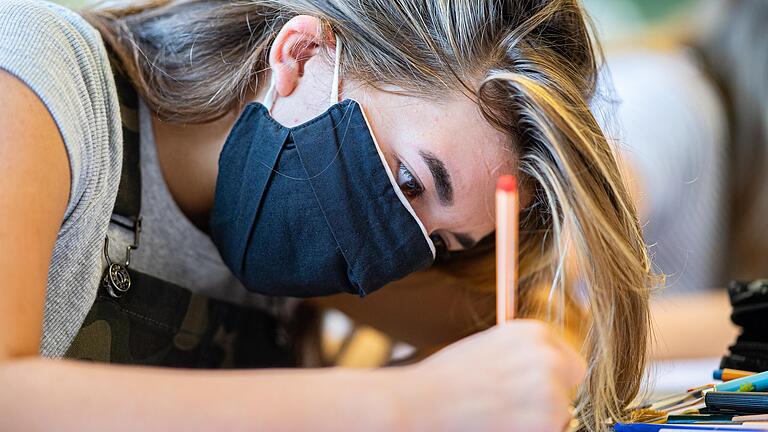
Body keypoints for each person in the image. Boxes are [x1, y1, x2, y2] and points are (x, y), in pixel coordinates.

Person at [0, 0, 652, 430]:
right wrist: (403, 405)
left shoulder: (310, 241)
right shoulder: (36, 72)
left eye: (445, 241)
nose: (392, 252)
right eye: (406, 179)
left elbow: (550, 334)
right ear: (304, 54)